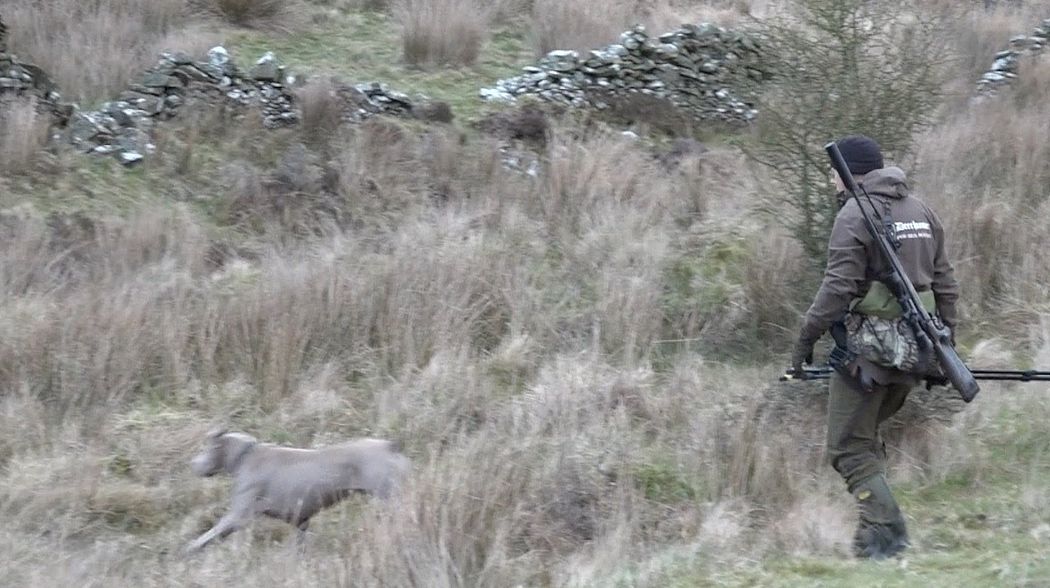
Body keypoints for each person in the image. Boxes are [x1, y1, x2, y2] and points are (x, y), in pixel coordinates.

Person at [790, 135, 960, 559]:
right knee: (864, 442)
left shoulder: (854, 213)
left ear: (847, 173)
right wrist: (946, 348)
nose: (831, 182)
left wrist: (806, 338)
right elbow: (946, 284)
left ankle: (885, 535)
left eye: (834, 173)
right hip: (919, 349)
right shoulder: (920, 210)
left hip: (869, 355)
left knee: (848, 448)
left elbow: (837, 288)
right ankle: (874, 540)